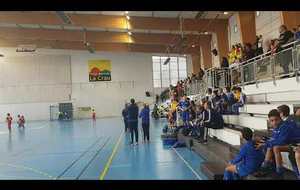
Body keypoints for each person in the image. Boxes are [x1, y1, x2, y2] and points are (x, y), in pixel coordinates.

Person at [255, 109, 300, 178]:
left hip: (297, 144)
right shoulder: (277, 126)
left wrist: (265, 144)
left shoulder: (285, 126)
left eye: (276, 120)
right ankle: (270, 168)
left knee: (274, 147)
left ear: (280, 118)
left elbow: (281, 141)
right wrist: (266, 142)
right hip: (290, 144)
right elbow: (274, 139)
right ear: (269, 121)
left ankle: (272, 169)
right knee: (272, 147)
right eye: (272, 121)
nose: (274, 122)